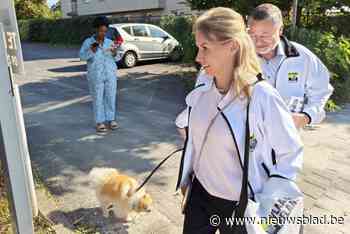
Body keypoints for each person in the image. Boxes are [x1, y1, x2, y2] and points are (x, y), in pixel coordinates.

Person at [175, 7, 303, 234]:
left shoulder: (262, 97)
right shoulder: (203, 87)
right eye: (198, 47)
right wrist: (190, 173)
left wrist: (268, 203)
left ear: (232, 46)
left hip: (238, 206)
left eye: (205, 47)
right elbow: (190, 128)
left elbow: (290, 152)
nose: (198, 57)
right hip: (199, 195)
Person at [247, 3, 333, 129]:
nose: (258, 42)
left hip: (288, 137)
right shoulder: (239, 57)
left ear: (280, 29)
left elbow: (321, 91)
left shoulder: (302, 57)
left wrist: (307, 116)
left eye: (265, 36)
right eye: (253, 35)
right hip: (246, 138)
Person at [79, 16, 119, 134]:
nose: (103, 33)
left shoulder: (109, 42)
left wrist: (115, 52)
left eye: (105, 31)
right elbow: (81, 56)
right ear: (96, 30)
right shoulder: (88, 42)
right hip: (96, 75)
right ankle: (99, 122)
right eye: (101, 30)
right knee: (98, 98)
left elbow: (116, 57)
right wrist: (91, 50)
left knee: (111, 97)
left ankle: (111, 119)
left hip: (110, 73)